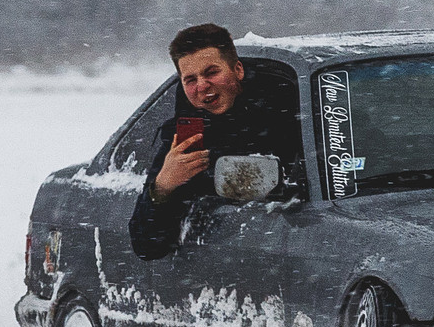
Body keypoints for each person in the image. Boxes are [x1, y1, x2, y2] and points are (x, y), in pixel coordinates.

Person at [129, 24, 306, 261]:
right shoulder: (186, 141)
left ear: (238, 70)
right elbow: (147, 246)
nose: (202, 86)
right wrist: (163, 187)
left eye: (211, 72)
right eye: (190, 79)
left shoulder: (292, 113)